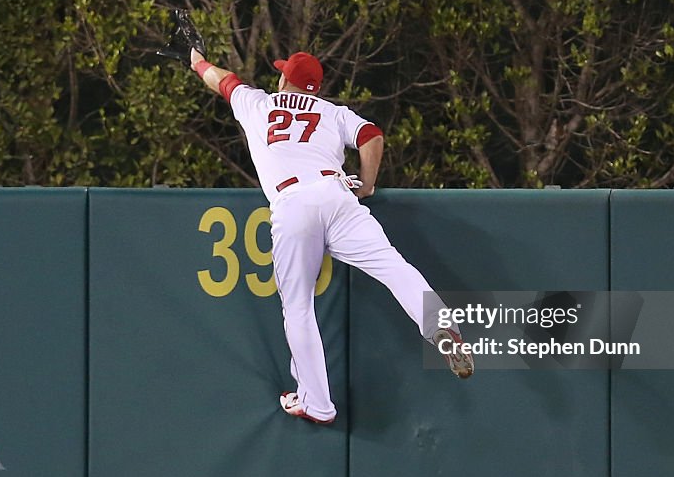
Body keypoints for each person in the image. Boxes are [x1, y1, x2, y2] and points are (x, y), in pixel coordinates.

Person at [189, 47, 473, 424]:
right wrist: (368, 184)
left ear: (284, 80)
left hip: (293, 203)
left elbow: (223, 81)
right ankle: (440, 325)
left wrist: (196, 62)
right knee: (393, 265)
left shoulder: (259, 104)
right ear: (315, 89)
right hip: (336, 194)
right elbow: (372, 135)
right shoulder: (331, 112)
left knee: (299, 307)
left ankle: (317, 403)